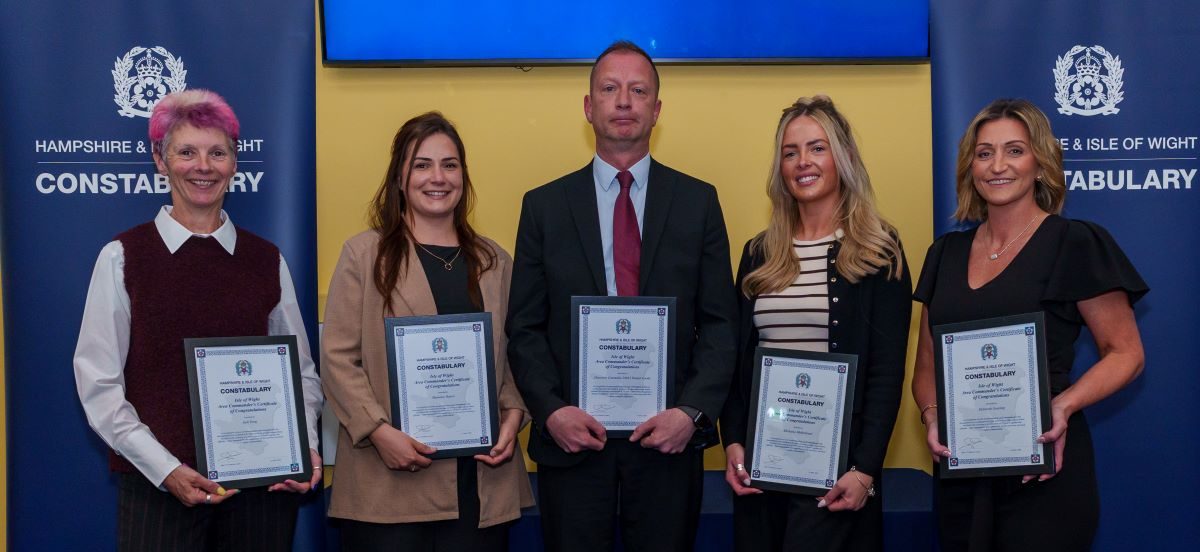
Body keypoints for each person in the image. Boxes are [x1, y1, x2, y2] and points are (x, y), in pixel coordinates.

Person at [506, 40, 738, 551]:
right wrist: (550, 411)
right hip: (573, 439)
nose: (624, 101)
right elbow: (523, 328)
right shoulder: (544, 206)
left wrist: (692, 412)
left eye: (638, 90)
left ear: (657, 108)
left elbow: (722, 324)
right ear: (589, 107)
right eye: (609, 89)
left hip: (668, 440)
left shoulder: (698, 202)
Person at [73, 89, 323, 550]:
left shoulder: (266, 260)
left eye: (217, 152)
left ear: (234, 163)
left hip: (262, 492)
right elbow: (99, 385)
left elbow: (300, 375)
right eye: (186, 152)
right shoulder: (123, 257)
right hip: (159, 493)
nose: (202, 166)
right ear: (160, 161)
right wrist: (166, 469)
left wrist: (302, 448)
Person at [911, 98, 1147, 551]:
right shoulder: (944, 254)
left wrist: (1063, 407)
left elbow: (1127, 353)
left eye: (1014, 150)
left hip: (1044, 467)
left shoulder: (1074, 242)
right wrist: (932, 415)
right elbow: (927, 366)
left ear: (1040, 163)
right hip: (962, 473)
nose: (998, 165)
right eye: (985, 153)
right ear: (971, 168)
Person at [321, 112, 533, 550]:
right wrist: (379, 432)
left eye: (450, 164)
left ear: (464, 176)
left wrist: (513, 416)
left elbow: (516, 356)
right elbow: (338, 359)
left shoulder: (495, 262)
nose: (437, 177)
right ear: (400, 177)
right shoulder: (365, 255)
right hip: (389, 482)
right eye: (422, 164)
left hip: (480, 483)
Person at [719, 96, 912, 551]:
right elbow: (734, 361)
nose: (803, 162)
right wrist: (733, 444)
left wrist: (865, 470)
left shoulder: (879, 251)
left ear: (842, 157)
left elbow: (886, 372)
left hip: (838, 471)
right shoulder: (758, 253)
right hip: (762, 465)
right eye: (790, 152)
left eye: (817, 148)